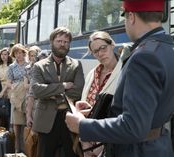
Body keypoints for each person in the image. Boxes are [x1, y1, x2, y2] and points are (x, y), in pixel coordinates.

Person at [65, 1, 174, 157]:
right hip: (158, 146)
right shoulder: (167, 48)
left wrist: (82, 126)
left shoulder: (144, 56)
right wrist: (97, 113)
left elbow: (133, 126)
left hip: (137, 150)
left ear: (131, 16)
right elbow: (150, 109)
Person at [31, 27, 85, 157]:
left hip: (69, 119)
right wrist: (63, 86)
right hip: (46, 121)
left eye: (66, 42)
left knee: (72, 154)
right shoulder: (39, 66)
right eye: (59, 41)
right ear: (52, 42)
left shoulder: (76, 64)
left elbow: (78, 91)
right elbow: (37, 90)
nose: (63, 44)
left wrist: (50, 93)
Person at [75, 31, 121, 157]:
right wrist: (85, 143)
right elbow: (88, 106)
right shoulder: (92, 74)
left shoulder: (125, 71)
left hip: (112, 142)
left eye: (103, 48)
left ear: (112, 44)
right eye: (95, 51)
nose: (100, 54)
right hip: (89, 143)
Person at [7, 43, 28, 153]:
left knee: (25, 122)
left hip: (27, 96)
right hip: (16, 97)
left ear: (24, 53)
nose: (19, 55)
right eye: (16, 53)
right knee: (16, 123)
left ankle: (25, 148)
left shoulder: (29, 65)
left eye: (20, 52)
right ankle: (17, 148)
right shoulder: (11, 67)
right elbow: (9, 82)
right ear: (13, 54)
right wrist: (17, 87)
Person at [0, 47, 13, 129]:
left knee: (10, 112)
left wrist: (3, 91)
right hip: (0, 86)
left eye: (6, 54)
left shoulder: (11, 65)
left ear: (9, 55)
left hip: (10, 89)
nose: (4, 56)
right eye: (2, 54)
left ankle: (10, 133)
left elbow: (10, 80)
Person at [24, 46, 41, 128]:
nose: (33, 57)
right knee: (30, 120)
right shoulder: (27, 68)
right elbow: (25, 85)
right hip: (30, 97)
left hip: (40, 97)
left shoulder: (42, 67)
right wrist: (35, 85)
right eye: (31, 55)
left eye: (35, 55)